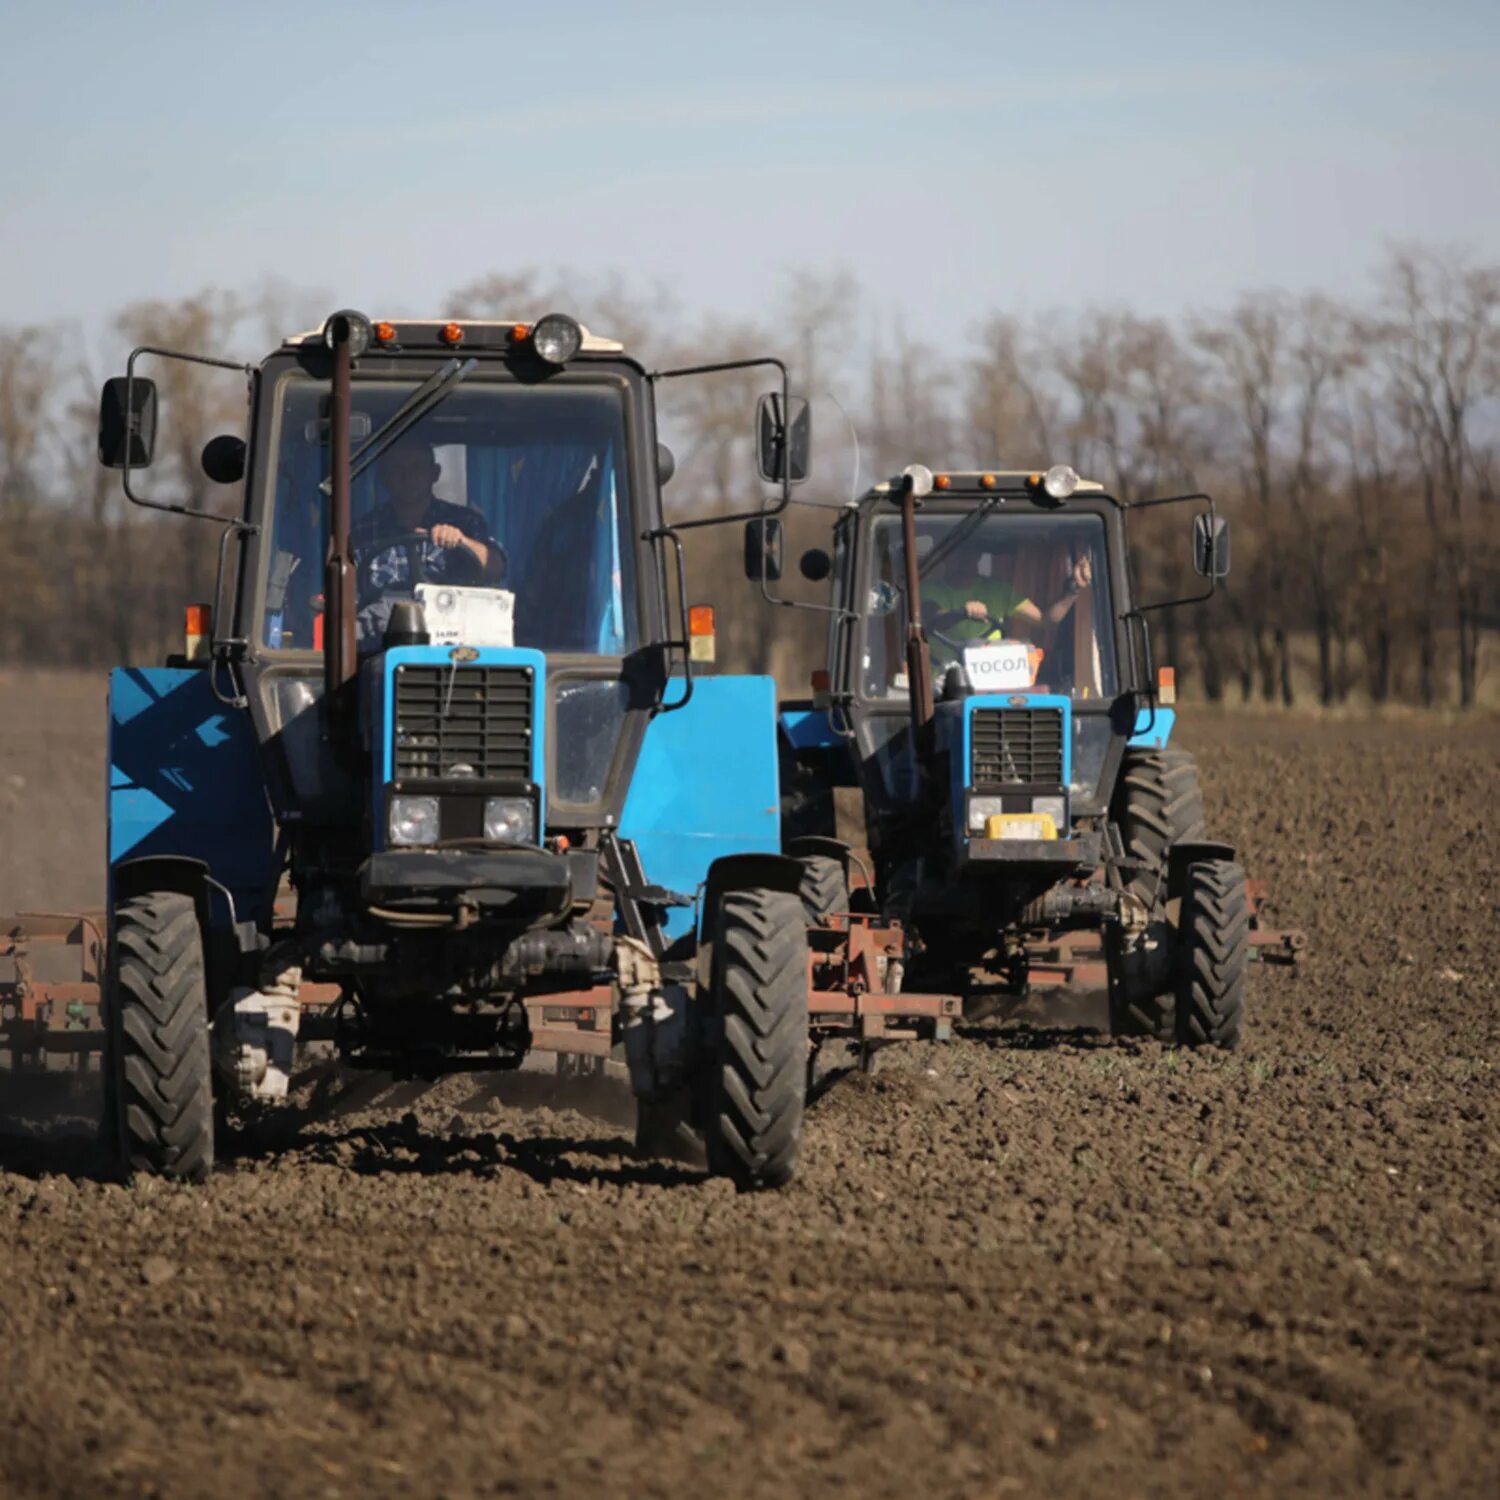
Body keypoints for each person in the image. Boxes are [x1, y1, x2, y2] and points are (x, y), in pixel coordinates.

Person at [351, 439, 507, 643]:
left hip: (454, 637)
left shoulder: (465, 521)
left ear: (435, 474)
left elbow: (496, 568)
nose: (407, 477)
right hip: (381, 639)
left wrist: (462, 541)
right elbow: (344, 592)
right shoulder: (363, 530)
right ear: (383, 478)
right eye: (397, 469)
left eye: (417, 468)